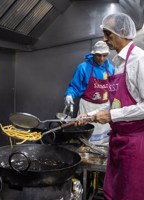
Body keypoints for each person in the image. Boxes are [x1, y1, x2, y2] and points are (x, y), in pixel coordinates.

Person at [77, 13, 144, 200]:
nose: (105, 39)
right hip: (119, 143)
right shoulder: (118, 63)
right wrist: (89, 115)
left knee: (130, 194)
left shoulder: (139, 60)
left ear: (122, 32)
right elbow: (114, 102)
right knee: (114, 193)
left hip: (135, 144)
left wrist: (112, 115)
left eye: (108, 34)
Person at [64, 41, 114, 145]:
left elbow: (114, 90)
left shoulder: (111, 69)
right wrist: (69, 95)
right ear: (93, 54)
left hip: (104, 108)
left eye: (104, 55)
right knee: (84, 139)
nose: (101, 59)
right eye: (98, 55)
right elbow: (74, 86)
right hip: (87, 107)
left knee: (103, 143)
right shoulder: (83, 67)